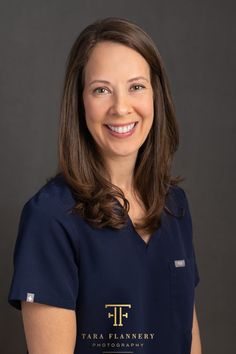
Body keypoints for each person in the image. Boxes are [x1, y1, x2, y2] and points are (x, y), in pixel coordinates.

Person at [8, 16, 202, 354]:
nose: (121, 107)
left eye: (136, 86)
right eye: (101, 90)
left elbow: (188, 336)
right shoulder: (50, 217)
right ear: (80, 102)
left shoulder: (175, 206)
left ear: (156, 95)